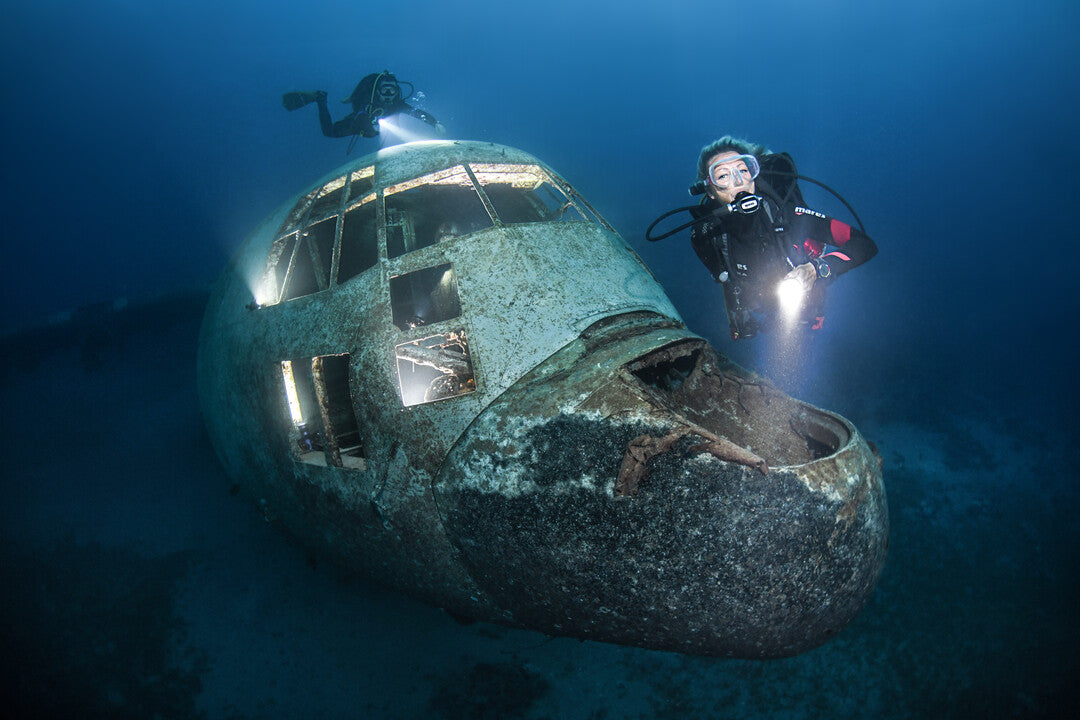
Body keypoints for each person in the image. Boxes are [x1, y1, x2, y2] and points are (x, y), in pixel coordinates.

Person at [688, 136, 877, 340]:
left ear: (753, 175)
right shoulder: (704, 235)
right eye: (723, 176)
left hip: (802, 291)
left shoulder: (786, 214)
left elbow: (864, 244)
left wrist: (815, 269)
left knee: (807, 320)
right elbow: (725, 277)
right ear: (711, 191)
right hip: (761, 296)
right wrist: (737, 315)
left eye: (743, 170)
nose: (738, 180)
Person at [283, 70, 445, 144]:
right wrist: (366, 122)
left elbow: (416, 113)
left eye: (392, 91)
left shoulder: (398, 104)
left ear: (397, 92)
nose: (388, 95)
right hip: (362, 122)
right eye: (384, 90)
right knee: (329, 132)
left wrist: (435, 123)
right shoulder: (367, 100)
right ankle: (320, 99)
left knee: (372, 133)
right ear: (377, 91)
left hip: (373, 127)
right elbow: (360, 111)